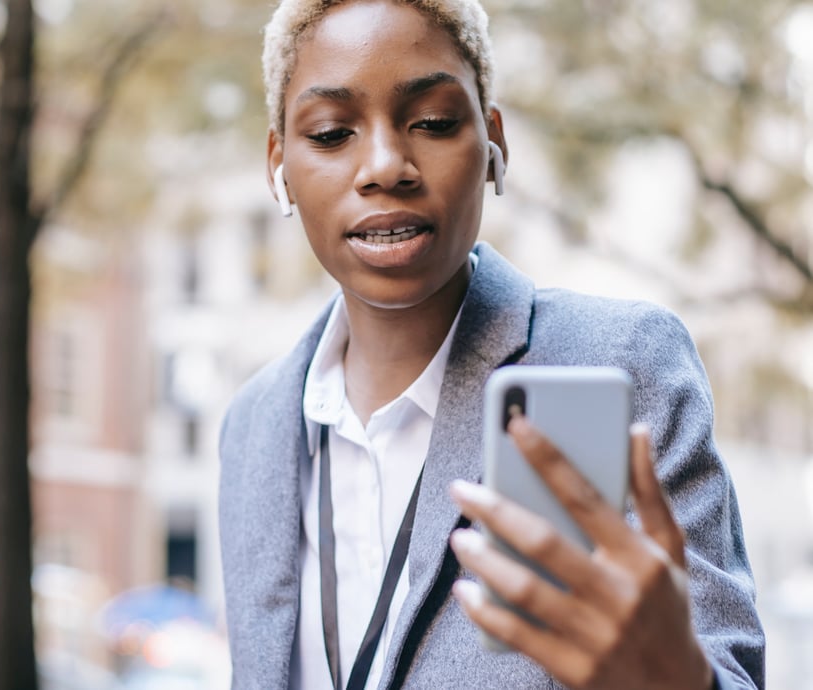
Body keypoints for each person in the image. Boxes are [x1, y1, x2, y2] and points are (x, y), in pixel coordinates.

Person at [217, 0, 765, 688]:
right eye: (331, 133)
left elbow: (728, 667)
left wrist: (680, 679)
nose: (385, 166)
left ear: (492, 143)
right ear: (280, 164)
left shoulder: (621, 362)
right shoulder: (251, 426)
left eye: (434, 122)